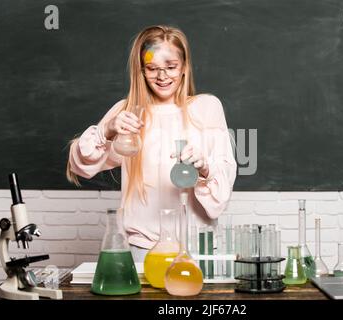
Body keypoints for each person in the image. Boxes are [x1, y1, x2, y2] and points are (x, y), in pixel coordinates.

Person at [66, 25, 237, 262]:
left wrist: (205, 169)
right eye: (152, 68)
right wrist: (107, 130)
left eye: (171, 67)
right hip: (142, 250)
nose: (162, 76)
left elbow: (221, 193)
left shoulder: (206, 108)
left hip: (197, 249)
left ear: (185, 67)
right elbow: (80, 165)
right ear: (141, 71)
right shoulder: (127, 113)